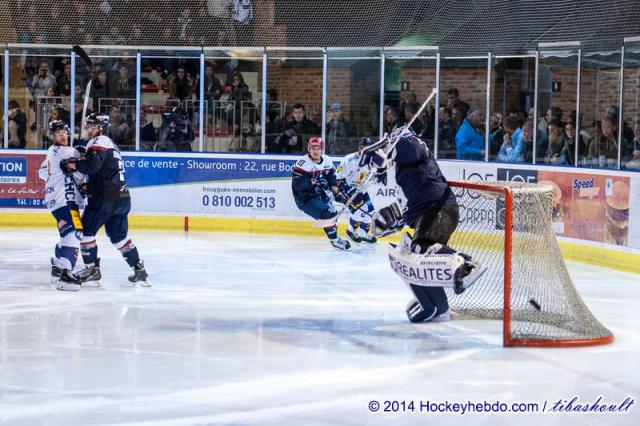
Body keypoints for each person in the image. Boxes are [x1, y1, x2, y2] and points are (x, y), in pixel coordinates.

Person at [360, 128, 484, 323]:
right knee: (413, 257)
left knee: (421, 248)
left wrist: (388, 150)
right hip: (427, 213)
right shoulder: (402, 171)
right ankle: (438, 308)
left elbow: (412, 149)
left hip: (440, 208)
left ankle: (467, 264)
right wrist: (390, 220)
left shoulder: (413, 144)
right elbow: (406, 206)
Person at [60, 113, 151, 286]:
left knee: (86, 232)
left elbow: (93, 167)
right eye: (88, 126)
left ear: (101, 128)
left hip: (105, 198)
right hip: (122, 197)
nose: (89, 129)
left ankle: (92, 270)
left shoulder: (98, 141)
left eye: (92, 127)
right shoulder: (113, 146)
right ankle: (140, 270)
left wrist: (75, 164)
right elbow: (105, 171)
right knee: (119, 237)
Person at [37, 120, 85, 291]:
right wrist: (81, 154)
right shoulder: (68, 151)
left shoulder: (52, 151)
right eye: (58, 134)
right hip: (64, 200)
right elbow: (82, 171)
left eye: (64, 132)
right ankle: (66, 273)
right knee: (75, 233)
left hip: (56, 199)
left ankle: (58, 265)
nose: (63, 135)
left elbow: (42, 173)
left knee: (66, 235)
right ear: (52, 136)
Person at [291, 137, 351, 251]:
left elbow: (331, 179)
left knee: (333, 213)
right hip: (305, 198)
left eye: (317, 148)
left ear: (322, 149)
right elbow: (297, 185)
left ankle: (334, 236)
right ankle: (335, 240)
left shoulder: (327, 161)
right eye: (312, 148)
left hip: (319, 194)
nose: (315, 151)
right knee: (328, 215)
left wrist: (338, 193)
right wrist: (315, 184)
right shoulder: (302, 163)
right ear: (308, 149)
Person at [336, 137, 378, 244]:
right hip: (348, 189)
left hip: (361, 189)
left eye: (370, 148)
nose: (367, 150)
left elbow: (375, 172)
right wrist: (347, 191)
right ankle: (351, 231)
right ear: (360, 147)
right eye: (365, 148)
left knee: (371, 211)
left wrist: (381, 175)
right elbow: (338, 178)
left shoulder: (372, 160)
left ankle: (363, 234)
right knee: (360, 210)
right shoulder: (349, 159)